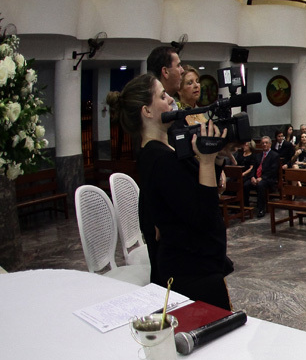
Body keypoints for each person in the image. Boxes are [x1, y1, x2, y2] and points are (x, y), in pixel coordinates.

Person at [106, 73, 233, 309]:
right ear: (147, 111)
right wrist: (205, 162)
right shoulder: (158, 158)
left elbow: (195, 191)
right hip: (189, 273)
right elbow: (203, 216)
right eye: (162, 96)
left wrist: (215, 161)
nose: (171, 101)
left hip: (196, 264)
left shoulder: (165, 149)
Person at [246, 135, 280, 217]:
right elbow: (254, 168)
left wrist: (262, 178)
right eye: (263, 143)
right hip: (257, 178)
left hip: (269, 179)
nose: (264, 145)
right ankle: (246, 207)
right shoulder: (258, 155)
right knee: (245, 184)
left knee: (261, 185)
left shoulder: (274, 155)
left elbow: (273, 170)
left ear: (270, 144)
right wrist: (252, 177)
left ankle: (261, 209)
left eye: (266, 143)